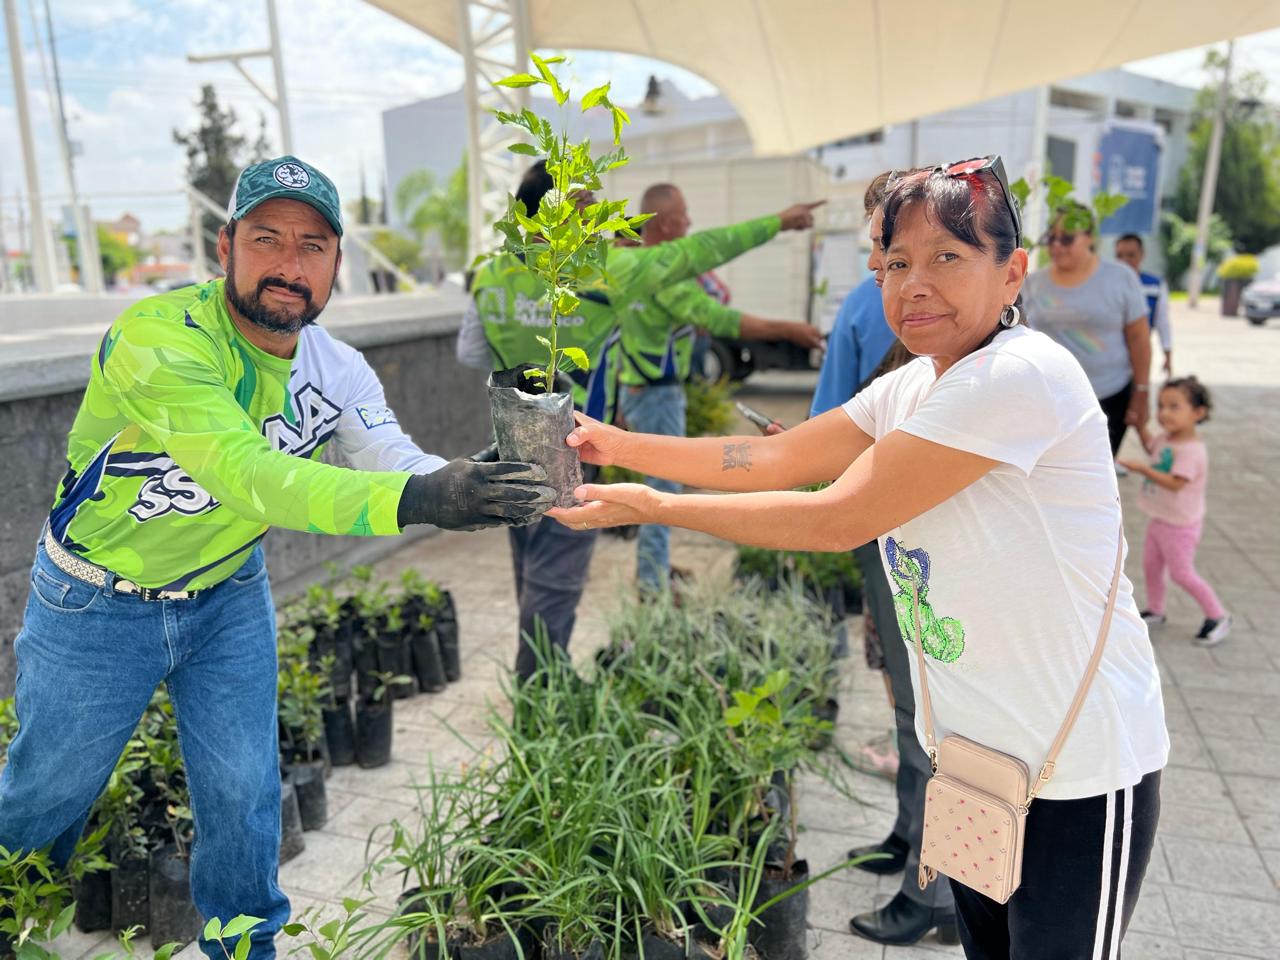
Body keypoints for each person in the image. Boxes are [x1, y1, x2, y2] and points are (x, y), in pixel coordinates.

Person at [551, 157, 1168, 958]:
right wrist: (619, 445)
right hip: (979, 760)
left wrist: (655, 505)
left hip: (1077, 767)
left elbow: (837, 517)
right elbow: (774, 457)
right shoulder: (912, 385)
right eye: (895, 263)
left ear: (1013, 272)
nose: (914, 285)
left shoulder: (1018, 375)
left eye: (947, 257)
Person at [0, 156, 554, 960]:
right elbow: (249, 475)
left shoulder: (338, 368)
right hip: (98, 602)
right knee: (45, 799)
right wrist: (424, 500)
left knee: (244, 795)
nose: (290, 264)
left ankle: (245, 949)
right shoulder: (158, 337)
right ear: (226, 246)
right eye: (267, 239)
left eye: (313, 246)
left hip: (227, 595)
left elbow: (389, 457)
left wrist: (463, 480)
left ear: (336, 264)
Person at [456, 160, 822, 677]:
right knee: (556, 574)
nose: (597, 216)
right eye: (586, 206)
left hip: (508, 444)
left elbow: (471, 353)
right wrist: (778, 222)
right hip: (573, 448)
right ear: (559, 217)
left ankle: (539, 672)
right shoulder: (604, 273)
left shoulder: (491, 274)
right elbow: (698, 251)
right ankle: (540, 685)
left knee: (530, 560)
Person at [809, 171, 957, 945]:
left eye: (887, 246)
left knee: (926, 707)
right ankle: (912, 836)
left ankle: (934, 891)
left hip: (894, 527)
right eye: (879, 251)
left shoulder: (889, 312)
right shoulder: (947, 317)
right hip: (911, 526)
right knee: (917, 701)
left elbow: (833, 431)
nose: (878, 265)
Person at [617, 182, 825, 595]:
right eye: (683, 216)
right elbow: (723, 319)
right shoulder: (662, 277)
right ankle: (652, 584)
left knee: (658, 484)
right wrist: (788, 330)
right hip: (656, 396)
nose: (690, 223)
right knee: (662, 489)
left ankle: (655, 567)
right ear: (664, 224)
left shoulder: (631, 267)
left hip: (639, 390)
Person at [1022, 203, 1151, 461]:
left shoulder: (1121, 278)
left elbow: (1139, 338)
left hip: (1109, 396)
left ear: (1090, 238)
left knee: (1096, 471)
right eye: (1051, 238)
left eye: (1067, 238)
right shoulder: (1033, 284)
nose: (1057, 246)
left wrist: (1141, 391)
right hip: (1051, 401)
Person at [1118, 376, 1231, 645]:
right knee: (1151, 567)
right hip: (1160, 519)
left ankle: (1218, 616)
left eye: (1174, 406)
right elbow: (1153, 449)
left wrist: (1143, 469)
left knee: (1182, 573)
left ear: (1198, 413)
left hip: (1180, 526)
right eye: (1161, 406)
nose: (1164, 413)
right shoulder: (1167, 439)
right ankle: (1156, 610)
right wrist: (1139, 427)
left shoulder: (1192, 450)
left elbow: (1175, 483)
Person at [1115, 233, 1173, 375]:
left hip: (1140, 353)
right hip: (1111, 356)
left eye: (1131, 255)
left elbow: (1162, 322)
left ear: (1142, 255)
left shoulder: (1155, 286)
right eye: (1120, 255)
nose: (1125, 260)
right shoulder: (1107, 285)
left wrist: (1168, 356)